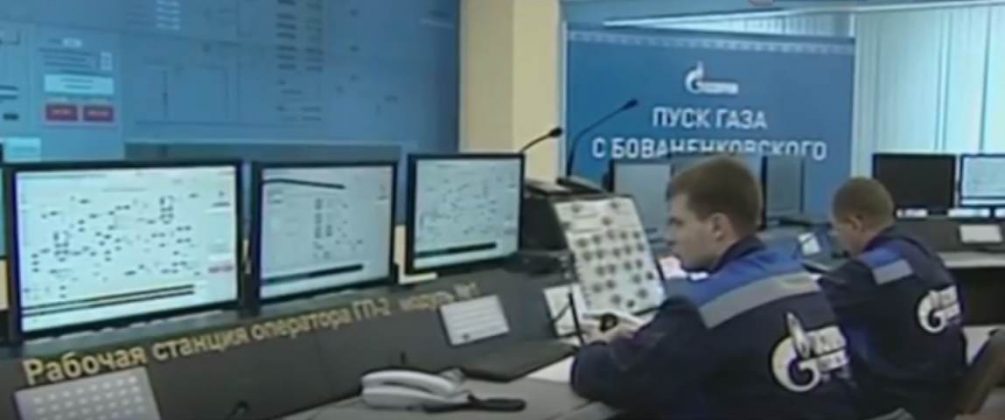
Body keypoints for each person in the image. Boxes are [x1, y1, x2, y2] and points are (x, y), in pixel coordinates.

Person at [570, 156, 859, 419]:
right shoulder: (798, 278)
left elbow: (620, 379)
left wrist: (596, 345)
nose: (668, 237)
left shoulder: (706, 308)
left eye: (677, 223)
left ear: (717, 227)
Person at [821, 177, 966, 420]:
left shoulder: (870, 271)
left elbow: (810, 306)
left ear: (856, 222)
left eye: (836, 229)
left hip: (899, 403)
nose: (837, 238)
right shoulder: (920, 250)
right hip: (941, 394)